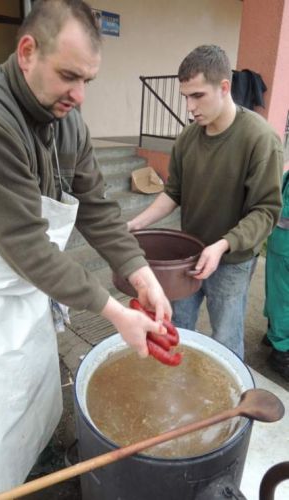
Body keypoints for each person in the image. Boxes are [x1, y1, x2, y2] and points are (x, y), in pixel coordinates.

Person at [0, 1, 171, 498]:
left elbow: (97, 205)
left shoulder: (66, 119)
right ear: (27, 51)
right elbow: (26, 245)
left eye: (89, 79)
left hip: (29, 290)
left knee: (34, 395)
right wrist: (114, 312)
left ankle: (39, 462)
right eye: (70, 75)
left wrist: (140, 275)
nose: (80, 94)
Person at [128, 44, 283, 360]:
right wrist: (136, 223)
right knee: (177, 327)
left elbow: (266, 211)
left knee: (225, 339)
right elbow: (174, 193)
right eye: (185, 96)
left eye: (197, 95)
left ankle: (232, 405)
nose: (189, 107)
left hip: (231, 262)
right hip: (187, 256)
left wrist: (223, 245)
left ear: (224, 88)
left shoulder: (260, 138)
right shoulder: (188, 137)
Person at [264, 170, 289, 381]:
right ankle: (280, 352)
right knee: (282, 299)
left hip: (282, 243)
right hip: (285, 245)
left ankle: (273, 334)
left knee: (278, 293)